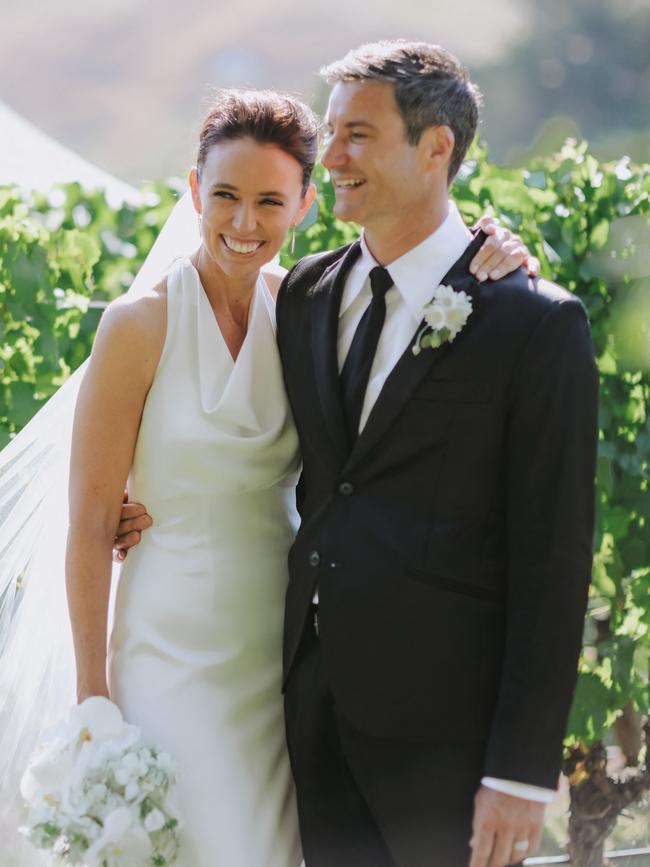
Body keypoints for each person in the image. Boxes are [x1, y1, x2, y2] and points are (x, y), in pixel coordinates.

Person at [58, 87, 532, 867]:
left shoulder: (310, 307)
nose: (245, 224)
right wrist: (91, 690)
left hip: (285, 660)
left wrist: (497, 247)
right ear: (193, 191)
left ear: (306, 203)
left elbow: (411, 285)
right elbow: (86, 520)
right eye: (226, 196)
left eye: (270, 201)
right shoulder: (138, 325)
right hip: (169, 649)